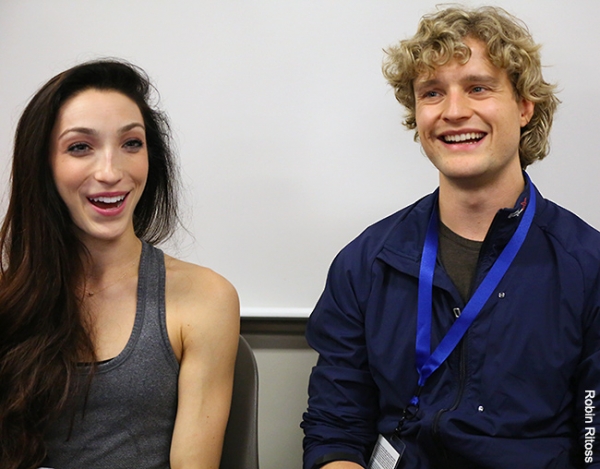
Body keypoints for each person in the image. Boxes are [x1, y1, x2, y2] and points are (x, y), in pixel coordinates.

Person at [302, 5, 600, 469]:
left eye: (478, 87)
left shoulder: (588, 264)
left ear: (524, 107)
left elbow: (593, 438)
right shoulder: (365, 263)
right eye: (432, 93)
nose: (454, 112)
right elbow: (335, 427)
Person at [0, 60, 240, 469]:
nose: (112, 172)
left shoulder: (206, 297)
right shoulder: (10, 297)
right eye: (80, 147)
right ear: (43, 166)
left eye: (132, 144)